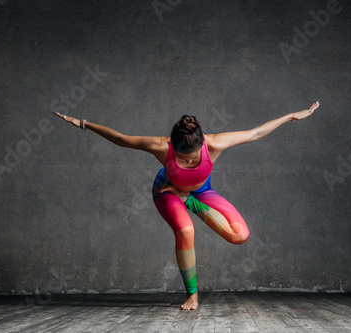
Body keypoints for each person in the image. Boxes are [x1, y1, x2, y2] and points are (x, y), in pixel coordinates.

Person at [54, 101, 319, 310]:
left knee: (240, 235)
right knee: (186, 230)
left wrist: (292, 116)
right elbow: (122, 139)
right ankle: (192, 295)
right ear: (173, 149)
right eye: (183, 159)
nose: (189, 163)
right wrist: (84, 124)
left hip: (201, 193)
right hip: (165, 192)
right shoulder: (161, 147)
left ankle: (187, 198)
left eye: (193, 159)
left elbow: (255, 133)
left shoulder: (214, 144)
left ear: (202, 146)